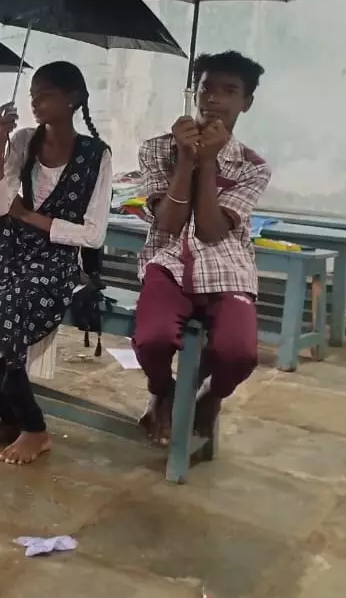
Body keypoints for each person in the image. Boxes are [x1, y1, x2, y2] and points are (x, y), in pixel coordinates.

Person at [0, 62, 112, 466]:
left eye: (45, 93)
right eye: (32, 93)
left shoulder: (95, 155)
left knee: (6, 320)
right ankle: (9, 418)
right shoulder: (24, 140)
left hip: (55, 263)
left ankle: (35, 428)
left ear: (73, 99)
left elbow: (94, 234)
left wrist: (33, 219)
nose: (34, 101)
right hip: (9, 254)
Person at [134, 51, 271, 445]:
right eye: (207, 87)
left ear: (246, 102)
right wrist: (185, 161)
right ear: (195, 93)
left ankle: (212, 396)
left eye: (230, 91)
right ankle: (163, 390)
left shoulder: (252, 166)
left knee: (238, 353)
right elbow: (170, 223)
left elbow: (211, 232)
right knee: (153, 339)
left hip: (227, 267)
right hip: (168, 261)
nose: (214, 99)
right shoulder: (158, 148)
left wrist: (208, 162)